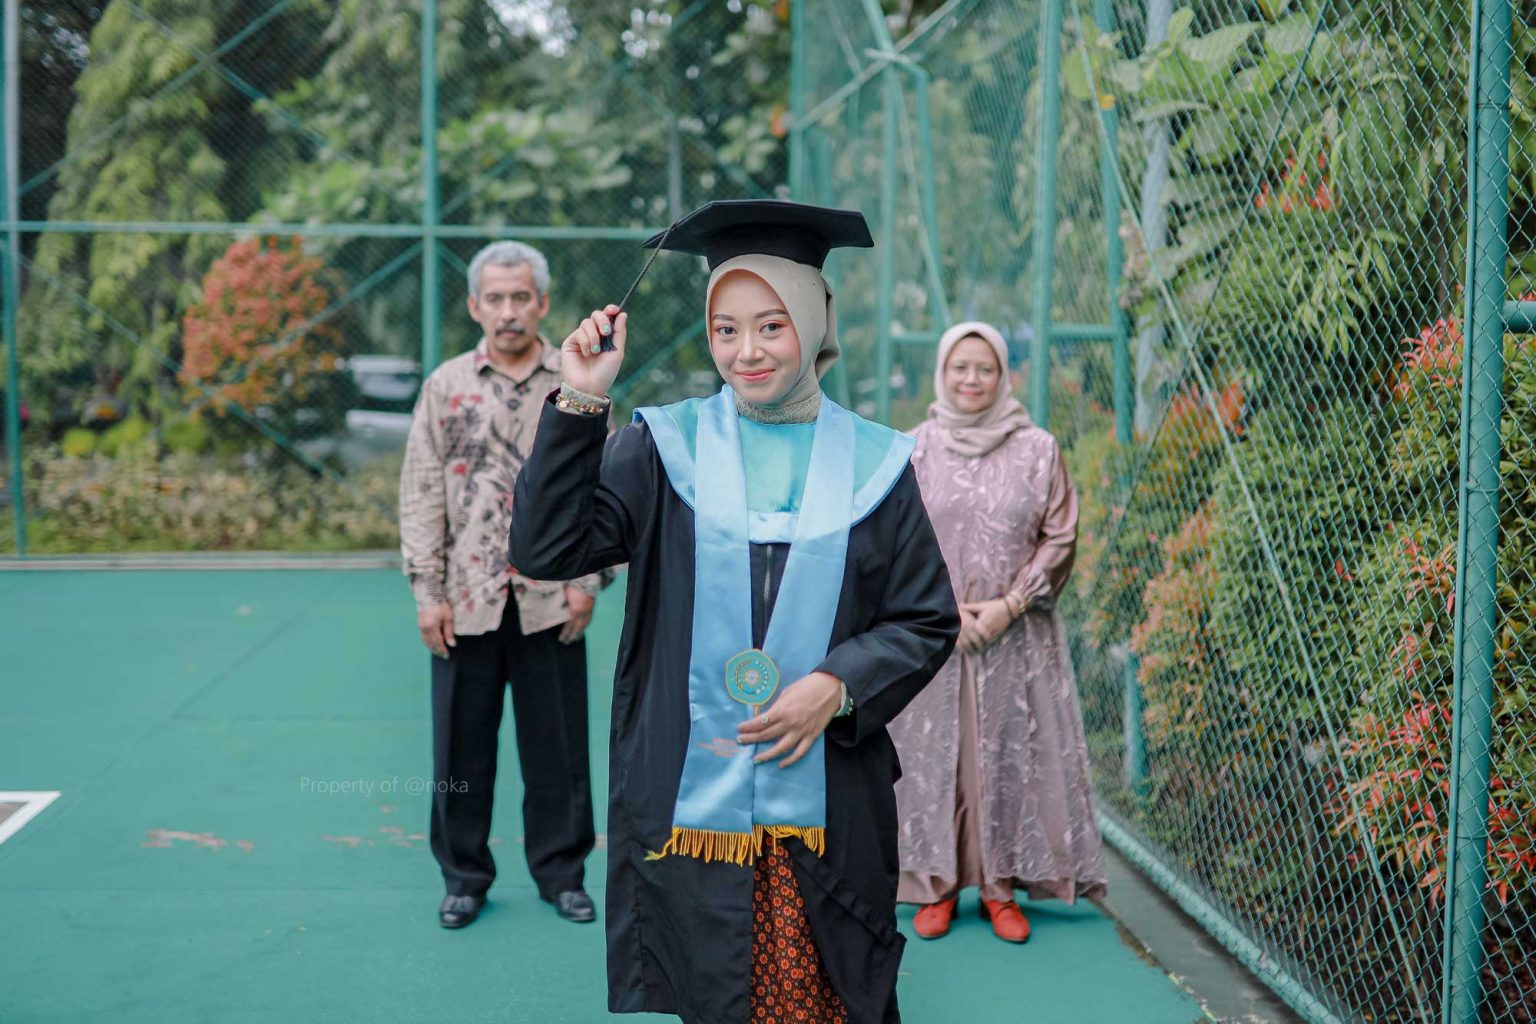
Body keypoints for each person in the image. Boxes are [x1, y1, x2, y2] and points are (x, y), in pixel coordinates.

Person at [509, 200, 960, 1023]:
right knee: (718, 991)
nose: (746, 352)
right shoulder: (662, 447)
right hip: (692, 793)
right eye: (725, 330)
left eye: (771, 326)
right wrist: (578, 400)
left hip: (826, 801)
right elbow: (547, 552)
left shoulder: (875, 462)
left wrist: (839, 682)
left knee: (828, 996)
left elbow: (926, 618)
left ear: (815, 323)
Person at [399, 240, 608, 930]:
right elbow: (421, 493)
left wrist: (590, 578)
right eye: (496, 298)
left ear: (543, 304)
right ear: (474, 306)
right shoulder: (446, 386)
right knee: (461, 749)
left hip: (553, 601)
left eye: (522, 297)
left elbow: (606, 486)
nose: (509, 311)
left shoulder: (580, 379)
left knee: (559, 752)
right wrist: (427, 592)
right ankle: (463, 876)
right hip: (467, 602)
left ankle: (562, 874)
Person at [888, 321, 1107, 945]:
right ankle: (935, 884)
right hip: (936, 635)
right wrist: (942, 611)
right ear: (941, 372)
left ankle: (1000, 886)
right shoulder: (911, 449)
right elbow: (894, 539)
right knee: (936, 758)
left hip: (1018, 636)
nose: (972, 379)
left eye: (985, 368)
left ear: (1005, 375)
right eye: (960, 367)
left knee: (1012, 753)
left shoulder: (1038, 449)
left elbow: (1059, 535)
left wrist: (1013, 604)